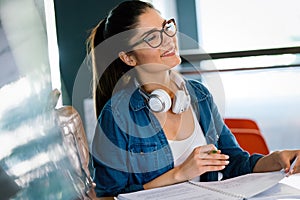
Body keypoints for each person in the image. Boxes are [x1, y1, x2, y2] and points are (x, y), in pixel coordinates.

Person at [87, 0, 300, 198]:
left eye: (166, 28)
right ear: (128, 57)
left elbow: (234, 162)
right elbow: (108, 196)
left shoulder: (199, 95)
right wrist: (180, 173)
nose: (168, 40)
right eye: (152, 37)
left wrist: (275, 159)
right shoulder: (117, 114)